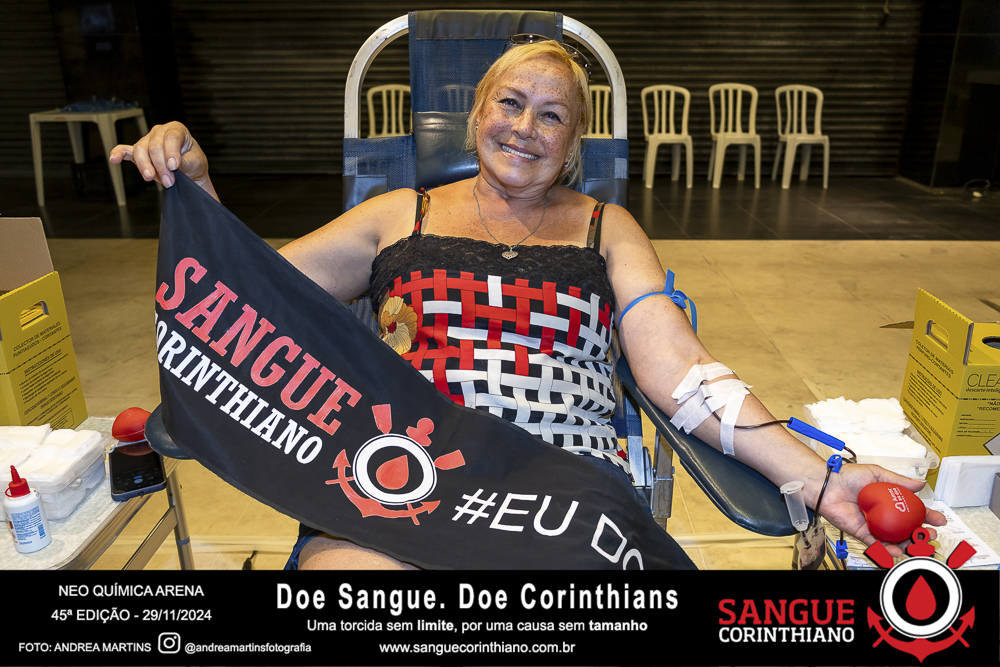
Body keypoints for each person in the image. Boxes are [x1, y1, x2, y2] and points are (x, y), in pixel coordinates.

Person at [110, 38, 944, 570]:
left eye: (552, 116)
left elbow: (682, 372)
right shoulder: (400, 214)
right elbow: (246, 300)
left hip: (560, 487)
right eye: (509, 103)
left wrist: (820, 478)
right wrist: (197, 188)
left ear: (572, 144)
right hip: (402, 478)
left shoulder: (607, 227)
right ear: (477, 114)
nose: (524, 127)